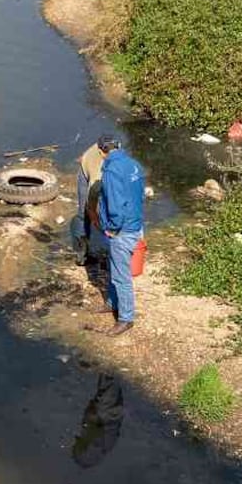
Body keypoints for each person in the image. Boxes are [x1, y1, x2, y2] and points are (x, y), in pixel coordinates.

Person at [98, 137, 145, 336]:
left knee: (121, 276)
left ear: (102, 151)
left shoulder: (111, 171)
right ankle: (112, 302)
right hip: (135, 223)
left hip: (121, 230)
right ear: (118, 147)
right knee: (114, 266)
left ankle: (126, 318)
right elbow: (140, 195)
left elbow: (114, 204)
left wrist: (113, 228)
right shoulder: (134, 165)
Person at [72, 136, 113, 266]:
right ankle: (82, 254)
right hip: (86, 171)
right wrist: (96, 220)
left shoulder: (120, 160)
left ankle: (108, 252)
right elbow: (91, 204)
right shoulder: (97, 177)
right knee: (83, 214)